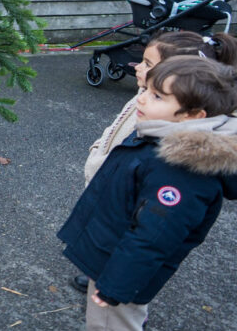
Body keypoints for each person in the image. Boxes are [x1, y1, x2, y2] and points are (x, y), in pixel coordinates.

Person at [43, 56, 237, 331]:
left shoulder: (181, 171)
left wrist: (116, 285)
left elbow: (153, 238)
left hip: (124, 268)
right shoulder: (164, 136)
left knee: (118, 325)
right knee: (107, 324)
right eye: (147, 89)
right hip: (115, 256)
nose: (143, 99)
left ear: (193, 116)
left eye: (158, 96)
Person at [70, 30, 237, 293]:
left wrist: (116, 286)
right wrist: (99, 149)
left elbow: (153, 235)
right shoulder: (146, 101)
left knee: (124, 252)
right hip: (115, 189)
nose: (138, 67)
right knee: (109, 241)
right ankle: (101, 273)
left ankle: (110, 281)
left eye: (149, 64)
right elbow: (117, 129)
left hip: (128, 210)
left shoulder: (175, 167)